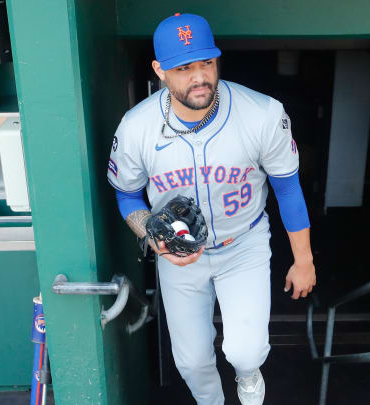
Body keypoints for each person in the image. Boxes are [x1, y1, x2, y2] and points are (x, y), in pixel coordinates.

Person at [107, 13, 317, 405]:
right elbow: (127, 196)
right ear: (160, 71)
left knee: (246, 351)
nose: (199, 76)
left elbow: (287, 188)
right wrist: (152, 234)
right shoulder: (136, 127)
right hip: (179, 255)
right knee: (191, 361)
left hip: (245, 243)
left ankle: (248, 378)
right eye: (184, 68)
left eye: (206, 62)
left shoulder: (262, 113)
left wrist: (302, 259)